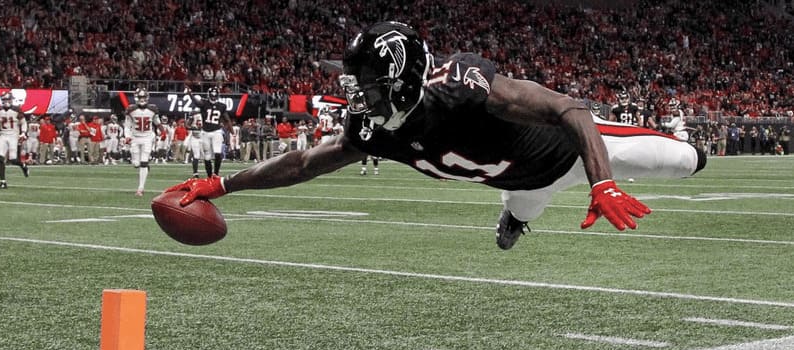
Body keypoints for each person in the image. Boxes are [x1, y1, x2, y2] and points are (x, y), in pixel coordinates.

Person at [165, 21, 705, 250]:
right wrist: (225, 186)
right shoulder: (371, 129)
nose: (357, 99)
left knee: (688, 160)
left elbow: (571, 110)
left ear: (402, 82)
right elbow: (306, 163)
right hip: (519, 182)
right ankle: (514, 217)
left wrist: (603, 184)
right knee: (517, 215)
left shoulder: (464, 86)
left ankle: (520, 213)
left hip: (572, 156)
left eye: (367, 86)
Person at [124, 88, 161, 196]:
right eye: (140, 97)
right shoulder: (131, 109)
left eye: (144, 97)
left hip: (147, 138)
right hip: (135, 138)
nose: (142, 99)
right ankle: (141, 165)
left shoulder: (152, 109)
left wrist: (162, 132)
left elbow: (157, 123)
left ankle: (140, 188)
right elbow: (127, 126)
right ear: (136, 97)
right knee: (136, 164)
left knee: (144, 163)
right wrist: (127, 136)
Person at [184, 87, 229, 175]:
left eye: (214, 95)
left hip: (216, 131)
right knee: (207, 156)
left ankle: (216, 173)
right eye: (212, 95)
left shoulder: (222, 106)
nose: (213, 97)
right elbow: (197, 103)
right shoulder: (203, 105)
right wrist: (190, 95)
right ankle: (208, 176)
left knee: (217, 153)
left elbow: (227, 119)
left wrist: (227, 130)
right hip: (204, 132)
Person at [0, 92, 29, 189]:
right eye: (5, 100)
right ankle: (2, 182)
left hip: (13, 135)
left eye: (8, 100)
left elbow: (23, 123)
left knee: (13, 159)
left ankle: (22, 165)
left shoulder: (16, 109)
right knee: (0, 158)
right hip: (3, 135)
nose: (6, 102)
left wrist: (23, 132)